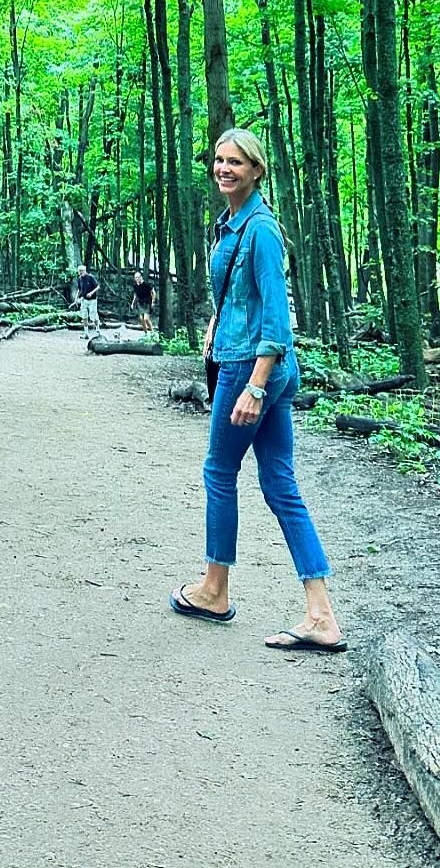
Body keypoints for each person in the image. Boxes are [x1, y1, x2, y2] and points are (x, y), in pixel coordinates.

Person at [168, 127, 346, 653]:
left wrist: (255, 386)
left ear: (256, 170)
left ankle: (213, 591)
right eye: (220, 160)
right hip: (250, 358)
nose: (225, 169)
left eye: (237, 162)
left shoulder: (261, 230)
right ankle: (321, 615)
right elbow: (241, 298)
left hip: (253, 366)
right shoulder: (232, 223)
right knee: (280, 484)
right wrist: (218, 321)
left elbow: (276, 319)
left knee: (219, 471)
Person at [76, 267, 101, 338]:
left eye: (82, 271)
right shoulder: (79, 279)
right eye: (79, 271)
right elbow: (79, 289)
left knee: (93, 315)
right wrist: (76, 298)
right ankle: (86, 333)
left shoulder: (90, 277)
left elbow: (98, 287)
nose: (81, 272)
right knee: (84, 316)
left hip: (92, 300)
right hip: (84, 300)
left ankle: (98, 330)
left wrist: (91, 293)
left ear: (85, 270)